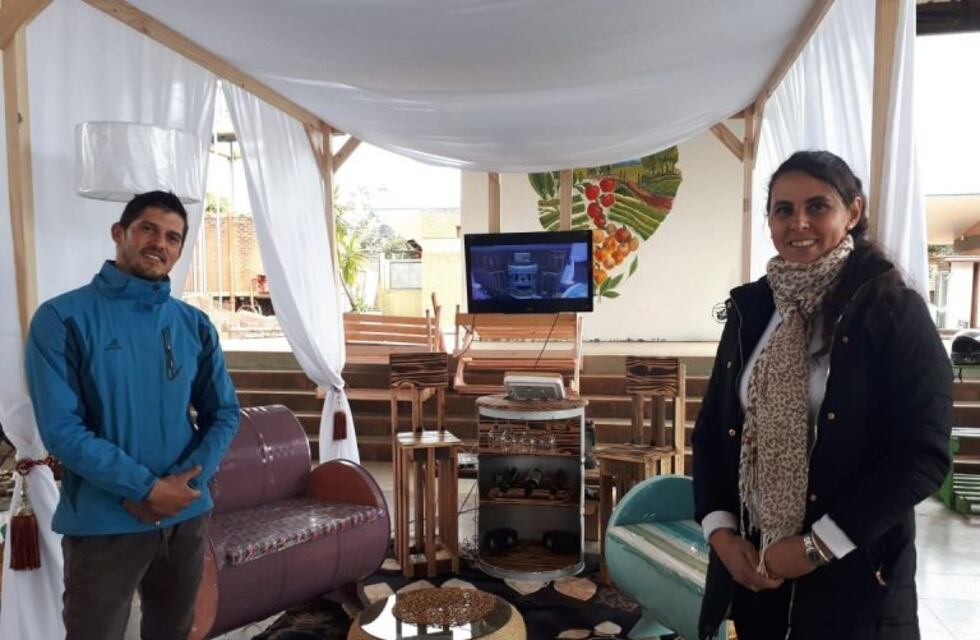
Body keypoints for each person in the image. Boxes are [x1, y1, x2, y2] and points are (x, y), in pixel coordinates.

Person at [692, 151, 952, 640]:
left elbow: (923, 452)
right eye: (783, 210)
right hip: (758, 571)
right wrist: (721, 532)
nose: (799, 223)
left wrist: (816, 546)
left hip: (855, 580)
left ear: (852, 212)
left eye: (818, 206)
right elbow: (712, 429)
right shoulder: (753, 309)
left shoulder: (892, 310)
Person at [25, 191, 241, 640]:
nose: (159, 243)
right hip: (105, 522)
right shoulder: (62, 318)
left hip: (184, 517)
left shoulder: (194, 325)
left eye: (173, 237)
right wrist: (145, 488)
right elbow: (61, 429)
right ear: (119, 233)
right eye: (148, 228)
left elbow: (223, 413)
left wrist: (183, 487)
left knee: (175, 632)